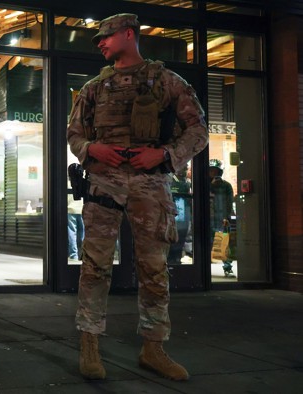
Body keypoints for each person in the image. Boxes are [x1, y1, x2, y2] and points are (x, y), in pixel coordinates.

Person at [66, 13, 208, 382]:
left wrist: (163, 155)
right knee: (94, 266)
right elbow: (74, 133)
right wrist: (92, 147)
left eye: (106, 36)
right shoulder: (94, 88)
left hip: (150, 182)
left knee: (154, 267)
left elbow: (198, 131)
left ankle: (153, 347)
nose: (100, 42)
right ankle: (90, 344)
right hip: (103, 182)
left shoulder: (166, 82)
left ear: (129, 34)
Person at [208, 159, 235, 277]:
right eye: (211, 171)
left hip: (221, 218)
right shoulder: (204, 185)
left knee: (224, 243)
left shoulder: (226, 185)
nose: (213, 173)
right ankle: (204, 270)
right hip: (207, 218)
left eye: (215, 171)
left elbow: (229, 202)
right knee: (207, 243)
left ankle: (227, 267)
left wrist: (227, 217)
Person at [167, 163, 192, 265]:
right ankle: (171, 259)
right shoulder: (171, 180)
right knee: (173, 237)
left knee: (181, 237)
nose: (185, 170)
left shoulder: (187, 182)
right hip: (174, 214)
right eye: (183, 168)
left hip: (184, 215)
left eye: (185, 168)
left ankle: (176, 258)